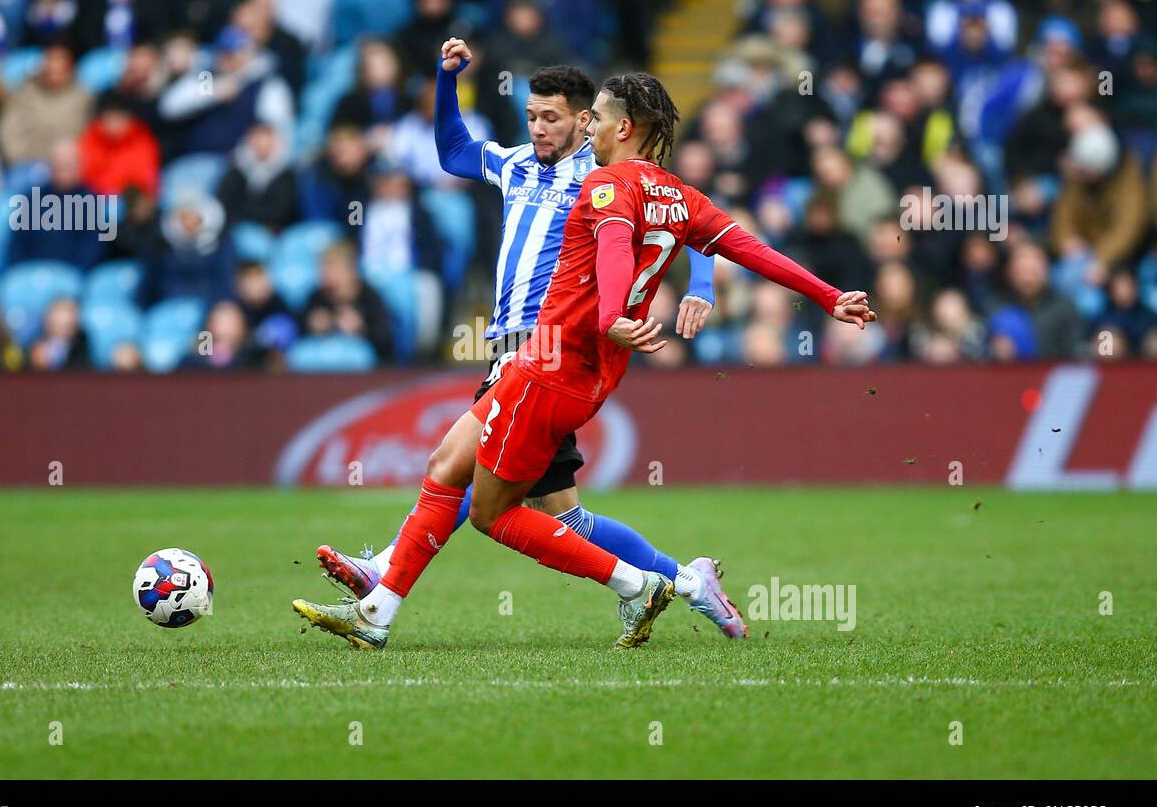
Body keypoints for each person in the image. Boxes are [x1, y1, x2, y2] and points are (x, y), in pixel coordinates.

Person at [294, 71, 876, 649]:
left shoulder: (601, 183)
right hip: (561, 360)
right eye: (536, 116)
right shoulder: (660, 190)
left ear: (611, 124)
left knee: (490, 509)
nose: (564, 126)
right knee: (487, 480)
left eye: (583, 116)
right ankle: (685, 580)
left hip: (547, 355)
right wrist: (828, 295)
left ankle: (634, 583)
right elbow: (740, 243)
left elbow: (620, 244)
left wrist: (624, 309)